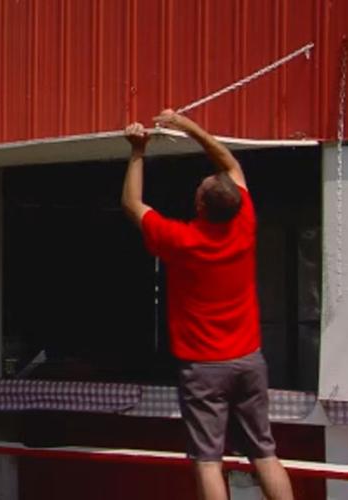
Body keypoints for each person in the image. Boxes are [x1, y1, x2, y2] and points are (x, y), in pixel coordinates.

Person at [121, 110, 294, 500]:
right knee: (265, 453)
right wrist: (190, 127)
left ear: (200, 205)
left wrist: (137, 150)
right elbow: (229, 161)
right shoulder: (244, 221)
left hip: (204, 367)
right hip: (248, 359)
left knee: (207, 459)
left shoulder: (182, 240)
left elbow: (132, 204)